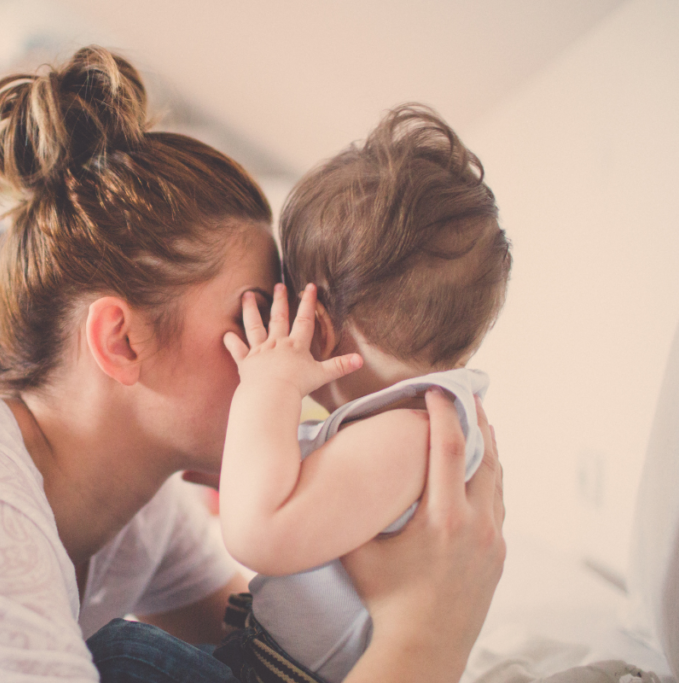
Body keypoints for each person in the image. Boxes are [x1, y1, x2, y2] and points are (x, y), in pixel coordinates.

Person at [0, 50, 504, 683]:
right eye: (258, 314)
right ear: (120, 341)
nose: (300, 351)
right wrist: (426, 634)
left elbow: (252, 647)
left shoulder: (138, 506)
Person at [212, 105, 512, 683]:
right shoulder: (420, 421)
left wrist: (265, 385)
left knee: (125, 651)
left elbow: (255, 533)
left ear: (316, 327)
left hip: (277, 674)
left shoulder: (410, 435)